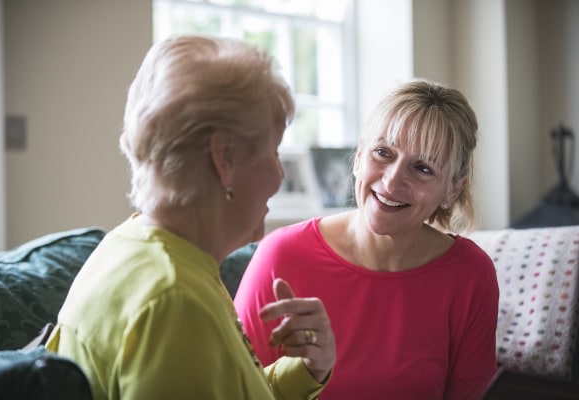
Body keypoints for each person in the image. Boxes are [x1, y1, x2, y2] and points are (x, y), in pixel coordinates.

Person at [45, 35, 336, 400]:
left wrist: (307, 369)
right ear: (224, 159)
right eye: (273, 152)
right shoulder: (174, 302)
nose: (280, 175)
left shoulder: (136, 249)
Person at [234, 79, 500, 400]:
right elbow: (233, 388)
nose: (392, 181)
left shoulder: (471, 275)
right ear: (359, 156)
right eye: (382, 153)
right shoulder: (281, 255)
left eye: (423, 168)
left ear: (453, 189)